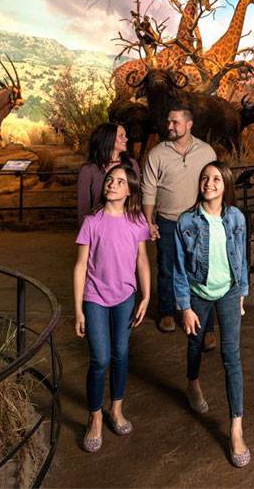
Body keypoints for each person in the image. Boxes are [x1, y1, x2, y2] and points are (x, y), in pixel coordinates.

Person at [174, 161, 251, 467]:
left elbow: (242, 256)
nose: (209, 183)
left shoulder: (236, 218)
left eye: (216, 178)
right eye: (205, 178)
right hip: (198, 294)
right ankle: (192, 382)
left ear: (226, 184)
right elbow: (178, 268)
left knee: (231, 356)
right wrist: (185, 306)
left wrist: (242, 291)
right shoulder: (186, 222)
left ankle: (236, 428)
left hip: (230, 291)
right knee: (194, 344)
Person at [73, 164, 152, 453]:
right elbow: (81, 265)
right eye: (110, 179)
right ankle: (94, 416)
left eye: (119, 181)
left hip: (125, 297)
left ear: (129, 189)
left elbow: (142, 260)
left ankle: (116, 408)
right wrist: (79, 309)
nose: (112, 184)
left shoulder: (136, 220)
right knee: (100, 359)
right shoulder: (92, 220)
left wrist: (146, 296)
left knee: (120, 353)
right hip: (94, 297)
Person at [141, 104, 218, 347]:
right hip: (167, 221)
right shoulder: (157, 153)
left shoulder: (206, 152)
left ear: (189, 124)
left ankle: (205, 326)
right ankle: (166, 313)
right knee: (166, 269)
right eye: (168, 122)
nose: (170, 126)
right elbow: (149, 189)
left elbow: (215, 185)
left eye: (175, 122)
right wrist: (149, 220)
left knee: (202, 271)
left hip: (198, 221)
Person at [77, 123, 141, 218]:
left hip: (126, 225)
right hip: (98, 227)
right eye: (121, 136)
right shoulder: (88, 170)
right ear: (107, 139)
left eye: (125, 135)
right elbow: (83, 207)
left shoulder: (132, 165)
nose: (126, 139)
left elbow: (136, 198)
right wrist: (86, 231)